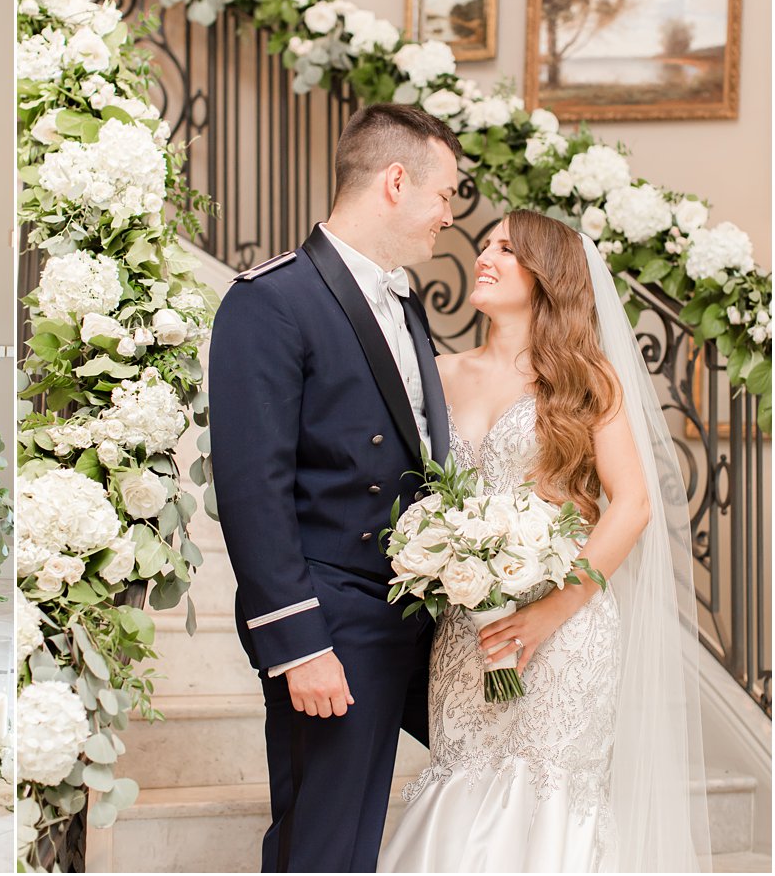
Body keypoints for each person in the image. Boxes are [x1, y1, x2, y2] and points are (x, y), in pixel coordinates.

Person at [379, 210, 709, 872]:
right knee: (464, 773)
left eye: (507, 247)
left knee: (548, 794)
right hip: (470, 628)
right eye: (485, 243)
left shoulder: (587, 381)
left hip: (567, 631)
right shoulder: (436, 373)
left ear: (546, 275)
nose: (484, 255)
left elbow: (633, 505)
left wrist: (551, 609)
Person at [209, 103, 462, 872]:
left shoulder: (403, 301)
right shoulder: (270, 300)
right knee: (319, 847)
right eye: (445, 194)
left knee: (355, 842)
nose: (448, 218)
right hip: (331, 623)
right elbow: (253, 489)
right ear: (396, 182)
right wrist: (299, 642)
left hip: (401, 619)